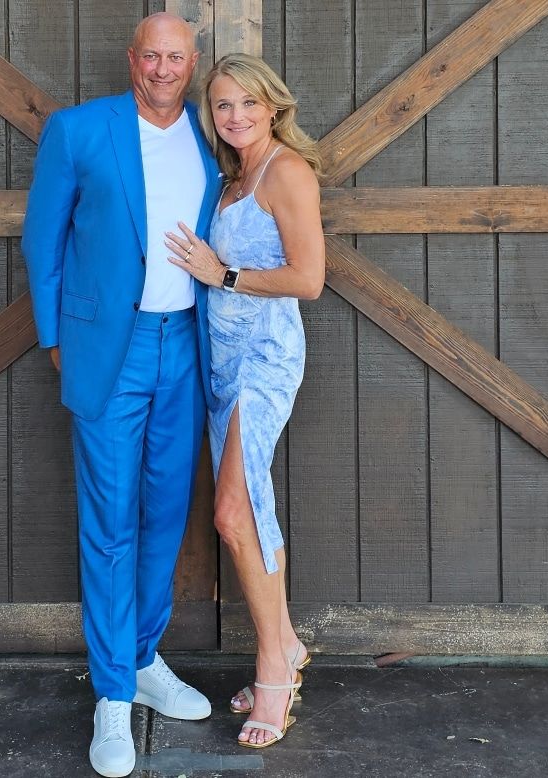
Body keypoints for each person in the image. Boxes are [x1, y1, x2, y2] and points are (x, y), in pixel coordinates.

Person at [21, 12, 222, 778]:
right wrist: (56, 339)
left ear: (192, 63)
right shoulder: (78, 130)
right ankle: (111, 693)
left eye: (176, 57)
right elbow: (42, 240)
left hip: (187, 343)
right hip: (113, 347)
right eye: (151, 56)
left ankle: (140, 658)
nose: (163, 69)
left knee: (165, 512)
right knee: (109, 520)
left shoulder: (211, 134)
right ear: (132, 60)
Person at [165, 53, 325, 749]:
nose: (235, 116)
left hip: (264, 359)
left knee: (232, 512)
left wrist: (221, 271)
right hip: (220, 364)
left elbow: (308, 278)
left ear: (274, 107)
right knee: (250, 504)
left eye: (248, 103)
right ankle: (285, 644)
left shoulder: (286, 172)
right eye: (223, 105)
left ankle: (273, 668)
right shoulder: (232, 178)